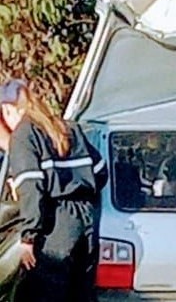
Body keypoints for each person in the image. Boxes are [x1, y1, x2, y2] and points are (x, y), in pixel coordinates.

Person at [0, 79, 107, 302]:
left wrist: (29, 238)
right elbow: (101, 171)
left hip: (56, 225)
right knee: (80, 293)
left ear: (8, 109)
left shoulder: (24, 135)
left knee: (47, 292)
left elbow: (32, 187)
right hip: (86, 220)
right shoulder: (69, 128)